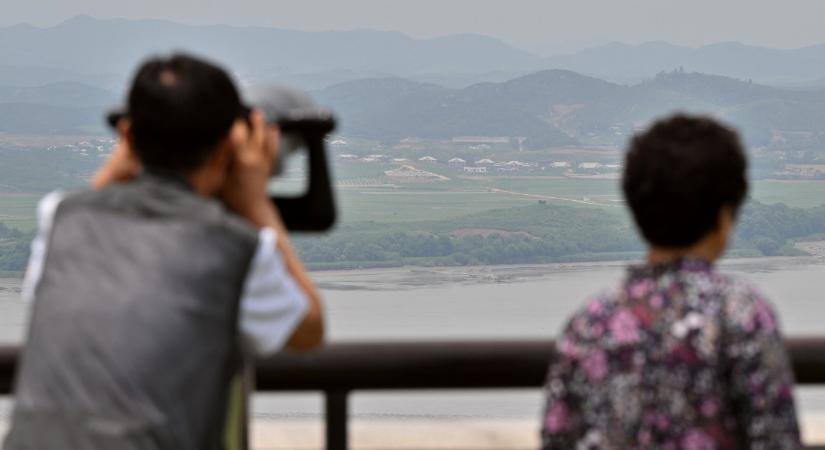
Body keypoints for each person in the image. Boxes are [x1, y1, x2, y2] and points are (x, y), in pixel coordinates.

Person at [4, 53, 324, 449]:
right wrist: (256, 204)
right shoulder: (233, 247)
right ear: (229, 145)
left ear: (128, 137)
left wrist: (118, 164)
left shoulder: (61, 220)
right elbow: (309, 328)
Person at [541, 115, 801, 449]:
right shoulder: (741, 315)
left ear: (637, 209)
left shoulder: (589, 323)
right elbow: (776, 438)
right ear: (725, 217)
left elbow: (557, 437)